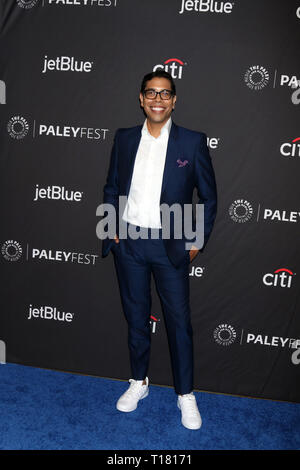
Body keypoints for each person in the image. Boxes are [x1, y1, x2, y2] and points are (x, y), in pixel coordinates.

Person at [102, 70, 217, 430]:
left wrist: (195, 240)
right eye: (151, 93)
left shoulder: (192, 142)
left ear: (174, 100)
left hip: (171, 246)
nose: (157, 100)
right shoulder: (123, 139)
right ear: (141, 98)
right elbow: (112, 187)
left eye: (165, 94)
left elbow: (209, 197)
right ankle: (139, 382)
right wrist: (112, 231)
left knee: (179, 324)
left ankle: (186, 395)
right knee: (136, 318)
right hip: (130, 244)